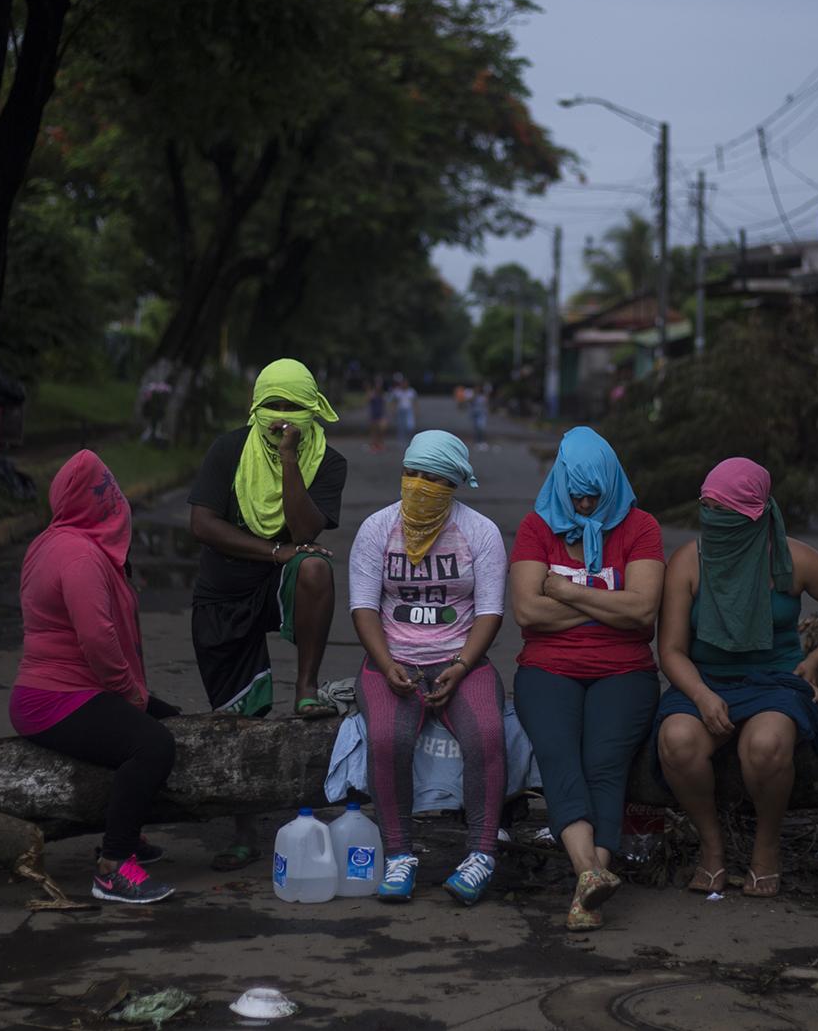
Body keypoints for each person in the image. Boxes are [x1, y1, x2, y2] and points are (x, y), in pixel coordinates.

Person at [656, 458, 818, 897]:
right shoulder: (689, 561)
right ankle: (712, 849)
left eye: (725, 514)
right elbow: (671, 651)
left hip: (774, 682)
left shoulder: (792, 559)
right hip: (706, 681)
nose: (713, 522)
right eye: (708, 510)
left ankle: (766, 850)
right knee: (677, 742)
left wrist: (814, 662)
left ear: (755, 515)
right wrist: (701, 695)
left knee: (764, 746)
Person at [187, 358, 345, 869]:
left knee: (316, 570)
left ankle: (305, 687)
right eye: (272, 407)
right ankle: (244, 827)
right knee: (238, 716)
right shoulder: (228, 449)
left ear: (314, 411)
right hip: (226, 589)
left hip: (284, 577)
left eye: (294, 408)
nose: (282, 418)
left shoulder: (328, 461)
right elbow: (203, 524)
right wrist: (275, 553)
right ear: (256, 407)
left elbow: (304, 535)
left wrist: (290, 460)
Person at [508, 426, 663, 932]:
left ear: (611, 485)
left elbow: (644, 614)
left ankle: (586, 885)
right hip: (547, 668)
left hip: (625, 672)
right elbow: (528, 613)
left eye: (594, 495)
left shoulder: (641, 528)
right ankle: (590, 875)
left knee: (605, 763)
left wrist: (566, 592)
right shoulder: (538, 526)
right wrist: (606, 607)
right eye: (575, 493)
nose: (584, 503)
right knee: (558, 754)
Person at [13, 451, 181, 904]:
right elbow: (98, 639)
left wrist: (139, 698)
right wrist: (131, 694)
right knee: (152, 744)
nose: (117, 499)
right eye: (107, 492)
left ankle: (128, 832)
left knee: (167, 721)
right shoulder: (80, 555)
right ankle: (112, 866)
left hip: (65, 692)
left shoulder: (53, 540)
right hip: (55, 699)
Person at [347, 431, 508, 906]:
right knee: (386, 739)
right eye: (412, 473)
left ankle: (480, 854)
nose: (419, 485)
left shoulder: (480, 532)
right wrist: (386, 663)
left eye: (434, 478)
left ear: (455, 483)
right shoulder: (377, 529)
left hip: (462, 658)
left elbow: (490, 611)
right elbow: (363, 608)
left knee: (487, 734)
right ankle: (398, 855)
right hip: (392, 658)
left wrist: (461, 665)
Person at [390, 375, 418, 448]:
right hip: (400, 410)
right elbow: (393, 401)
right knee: (401, 427)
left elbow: (415, 402)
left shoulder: (411, 391)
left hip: (409, 410)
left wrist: (416, 411)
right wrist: (393, 410)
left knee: (410, 426)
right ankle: (401, 441)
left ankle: (409, 440)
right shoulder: (397, 391)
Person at [367, 378, 388, 454]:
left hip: (381, 415)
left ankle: (380, 444)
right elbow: (368, 399)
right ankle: (374, 445)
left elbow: (384, 404)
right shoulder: (372, 394)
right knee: (374, 432)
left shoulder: (382, 394)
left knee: (381, 430)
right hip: (374, 415)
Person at [468, 382, 491, 450]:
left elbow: (487, 402)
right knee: (476, 428)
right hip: (475, 414)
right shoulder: (473, 395)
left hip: (482, 414)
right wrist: (475, 394)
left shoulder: (483, 396)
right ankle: (477, 441)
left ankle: (482, 441)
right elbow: (470, 401)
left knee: (481, 427)